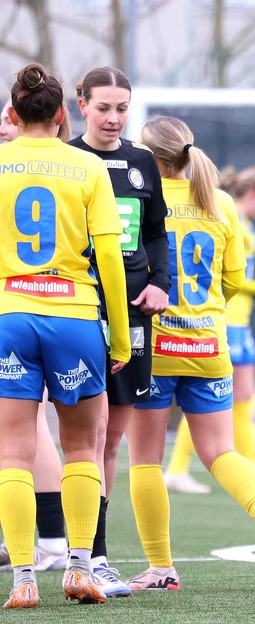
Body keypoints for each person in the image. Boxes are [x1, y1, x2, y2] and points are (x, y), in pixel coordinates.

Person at [125, 116, 255, 591]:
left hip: (155, 348)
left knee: (145, 461)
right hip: (209, 344)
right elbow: (234, 279)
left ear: (150, 157)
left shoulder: (141, 199)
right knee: (220, 451)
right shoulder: (220, 202)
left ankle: (161, 569)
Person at [0, 63, 130, 609]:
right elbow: (110, 260)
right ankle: (80, 567)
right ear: (61, 115)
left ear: (10, 114)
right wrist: (120, 339)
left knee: (12, 453)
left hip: (10, 316)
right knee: (83, 446)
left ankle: (23, 577)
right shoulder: (87, 167)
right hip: (73, 319)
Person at [68, 67, 171, 599]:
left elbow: (156, 233)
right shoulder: (66, 159)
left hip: (133, 313)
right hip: (78, 308)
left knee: (111, 440)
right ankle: (73, 551)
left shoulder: (141, 162)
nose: (113, 117)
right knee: (79, 437)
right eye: (103, 106)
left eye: (122, 107)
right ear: (80, 104)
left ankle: (95, 558)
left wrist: (162, 283)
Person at [165, 166, 255, 495]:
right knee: (207, 400)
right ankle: (176, 470)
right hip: (225, 322)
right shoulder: (228, 217)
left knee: (243, 398)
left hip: (240, 323)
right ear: (250, 194)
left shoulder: (242, 222)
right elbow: (225, 275)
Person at [0, 99, 71, 576]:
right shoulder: (73, 166)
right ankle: (52, 540)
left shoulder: (14, 166)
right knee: (35, 430)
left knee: (23, 433)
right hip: (61, 310)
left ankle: (47, 541)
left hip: (16, 306)